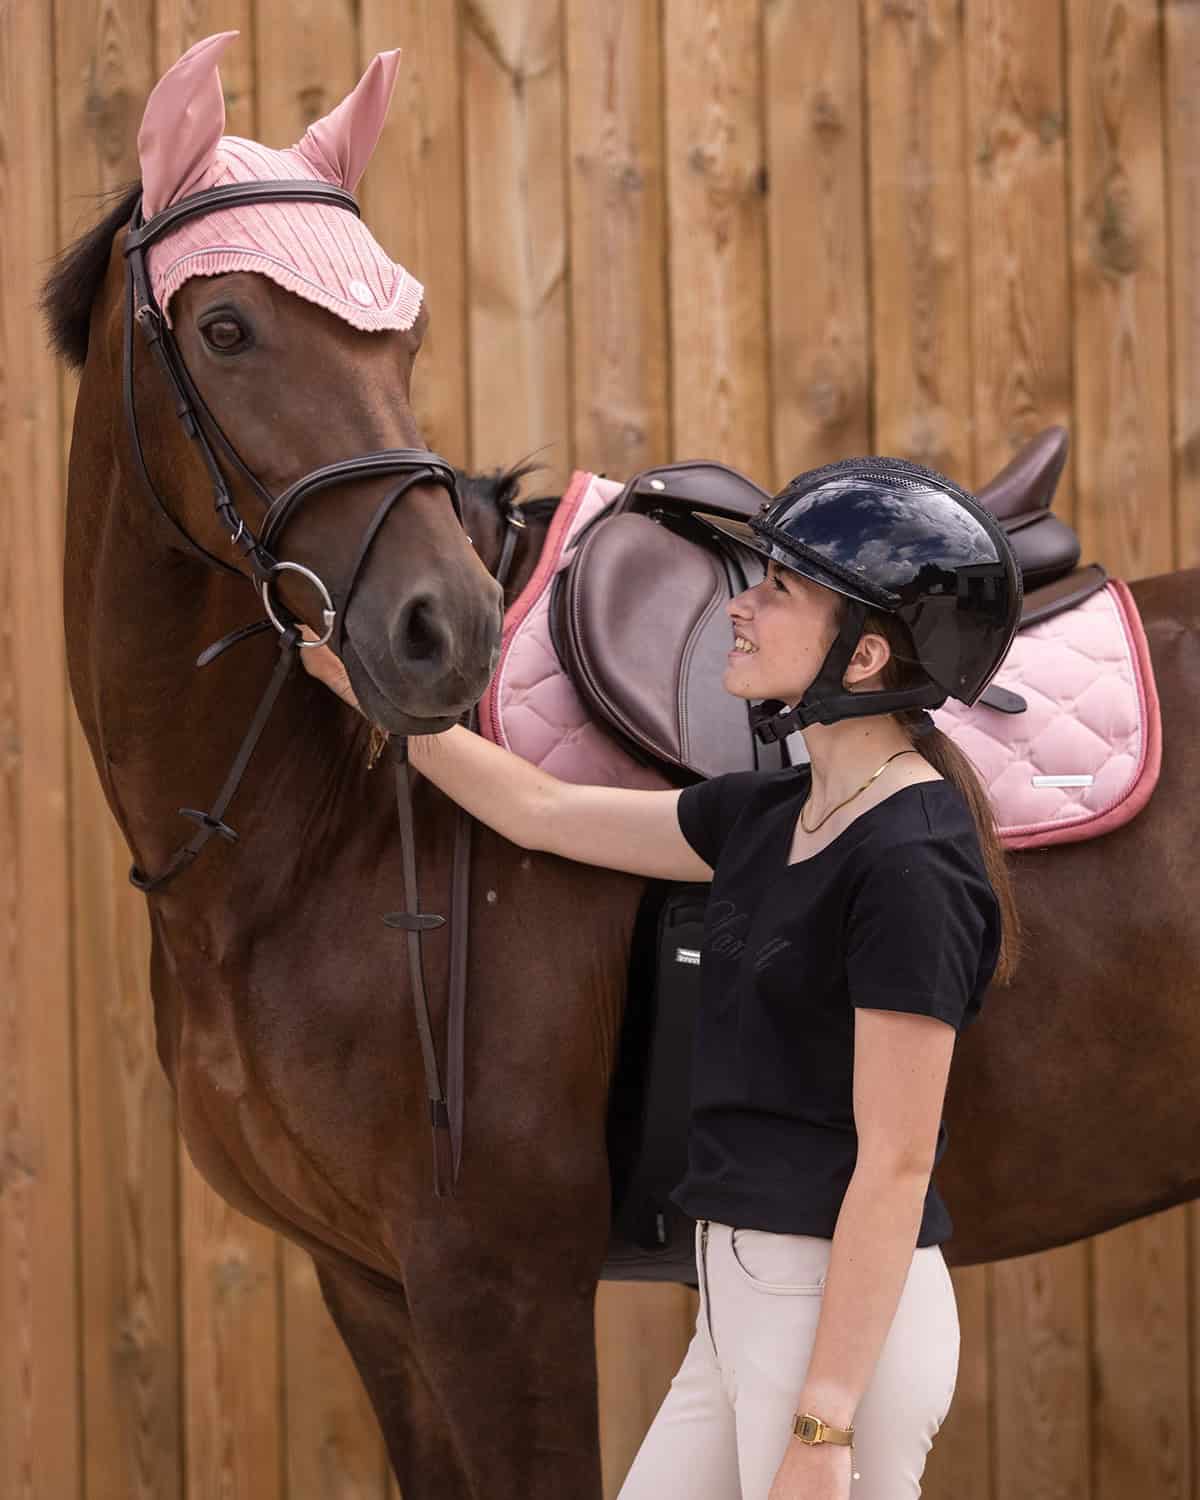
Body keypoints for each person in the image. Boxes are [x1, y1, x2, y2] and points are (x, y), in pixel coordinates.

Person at [301, 455, 1022, 1500]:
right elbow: (538, 812)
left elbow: (898, 1167)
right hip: (737, 1306)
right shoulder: (768, 817)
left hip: (831, 1328)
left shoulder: (912, 864)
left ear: (865, 657)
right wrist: (374, 692)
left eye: (779, 592)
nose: (744, 606)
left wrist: (823, 1426)